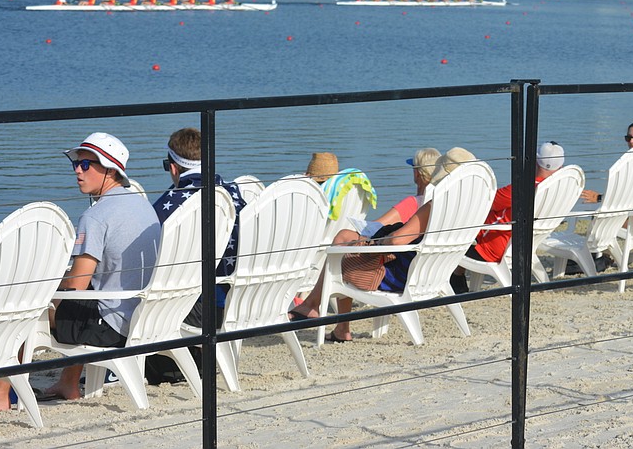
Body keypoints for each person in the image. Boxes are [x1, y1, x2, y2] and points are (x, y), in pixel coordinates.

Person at [292, 148, 474, 342]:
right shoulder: (467, 210)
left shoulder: (433, 206)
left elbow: (397, 241)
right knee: (345, 237)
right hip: (435, 274)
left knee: (342, 256)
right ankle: (328, 318)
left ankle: (318, 309)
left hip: (398, 277)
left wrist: (377, 241)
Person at [38, 134, 158, 401]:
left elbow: (76, 284)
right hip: (143, 318)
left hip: (110, 325)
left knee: (25, 312)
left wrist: (43, 288)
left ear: (110, 169)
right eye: (76, 165)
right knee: (84, 295)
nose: (78, 172)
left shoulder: (95, 216)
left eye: (86, 165)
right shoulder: (142, 205)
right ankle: (68, 382)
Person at [145, 128, 248, 384]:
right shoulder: (232, 192)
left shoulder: (173, 200)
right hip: (235, 300)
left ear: (173, 167)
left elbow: (151, 254)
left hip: (194, 307)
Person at [453, 142, 567, 291]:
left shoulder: (522, 188)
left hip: (492, 249)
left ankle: (456, 278)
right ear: (561, 167)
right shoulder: (559, 188)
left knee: (455, 240)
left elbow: (486, 202)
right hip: (527, 244)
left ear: (533, 162)